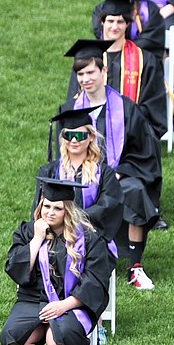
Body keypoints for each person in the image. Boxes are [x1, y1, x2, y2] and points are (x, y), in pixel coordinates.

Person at [1, 180, 109, 345]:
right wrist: (36, 240)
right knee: (12, 337)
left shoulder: (88, 238)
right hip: (33, 300)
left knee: (58, 339)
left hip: (73, 303)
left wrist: (64, 305)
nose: (50, 212)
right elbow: (14, 269)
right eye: (46, 206)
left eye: (57, 208)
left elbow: (96, 282)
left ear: (67, 209)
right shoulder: (28, 231)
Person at [67, 43, 163, 290]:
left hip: (118, 176)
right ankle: (70, 259)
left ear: (104, 71)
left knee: (135, 191)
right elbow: (61, 153)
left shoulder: (126, 108)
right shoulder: (71, 111)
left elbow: (144, 151)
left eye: (91, 72)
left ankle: (135, 267)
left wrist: (117, 173)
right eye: (81, 74)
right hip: (79, 177)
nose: (86, 79)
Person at [34, 107, 123, 258]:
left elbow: (108, 206)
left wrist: (73, 220)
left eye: (79, 135)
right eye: (69, 135)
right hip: (53, 239)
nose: (74, 140)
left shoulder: (104, 173)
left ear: (91, 137)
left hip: (92, 239)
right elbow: (38, 207)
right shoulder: (49, 171)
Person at [70, 5, 169, 142]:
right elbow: (74, 99)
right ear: (102, 22)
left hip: (132, 130)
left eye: (120, 21)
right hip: (92, 131)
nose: (114, 26)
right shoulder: (88, 59)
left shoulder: (145, 60)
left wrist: (126, 119)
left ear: (127, 24)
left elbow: (153, 102)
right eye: (110, 21)